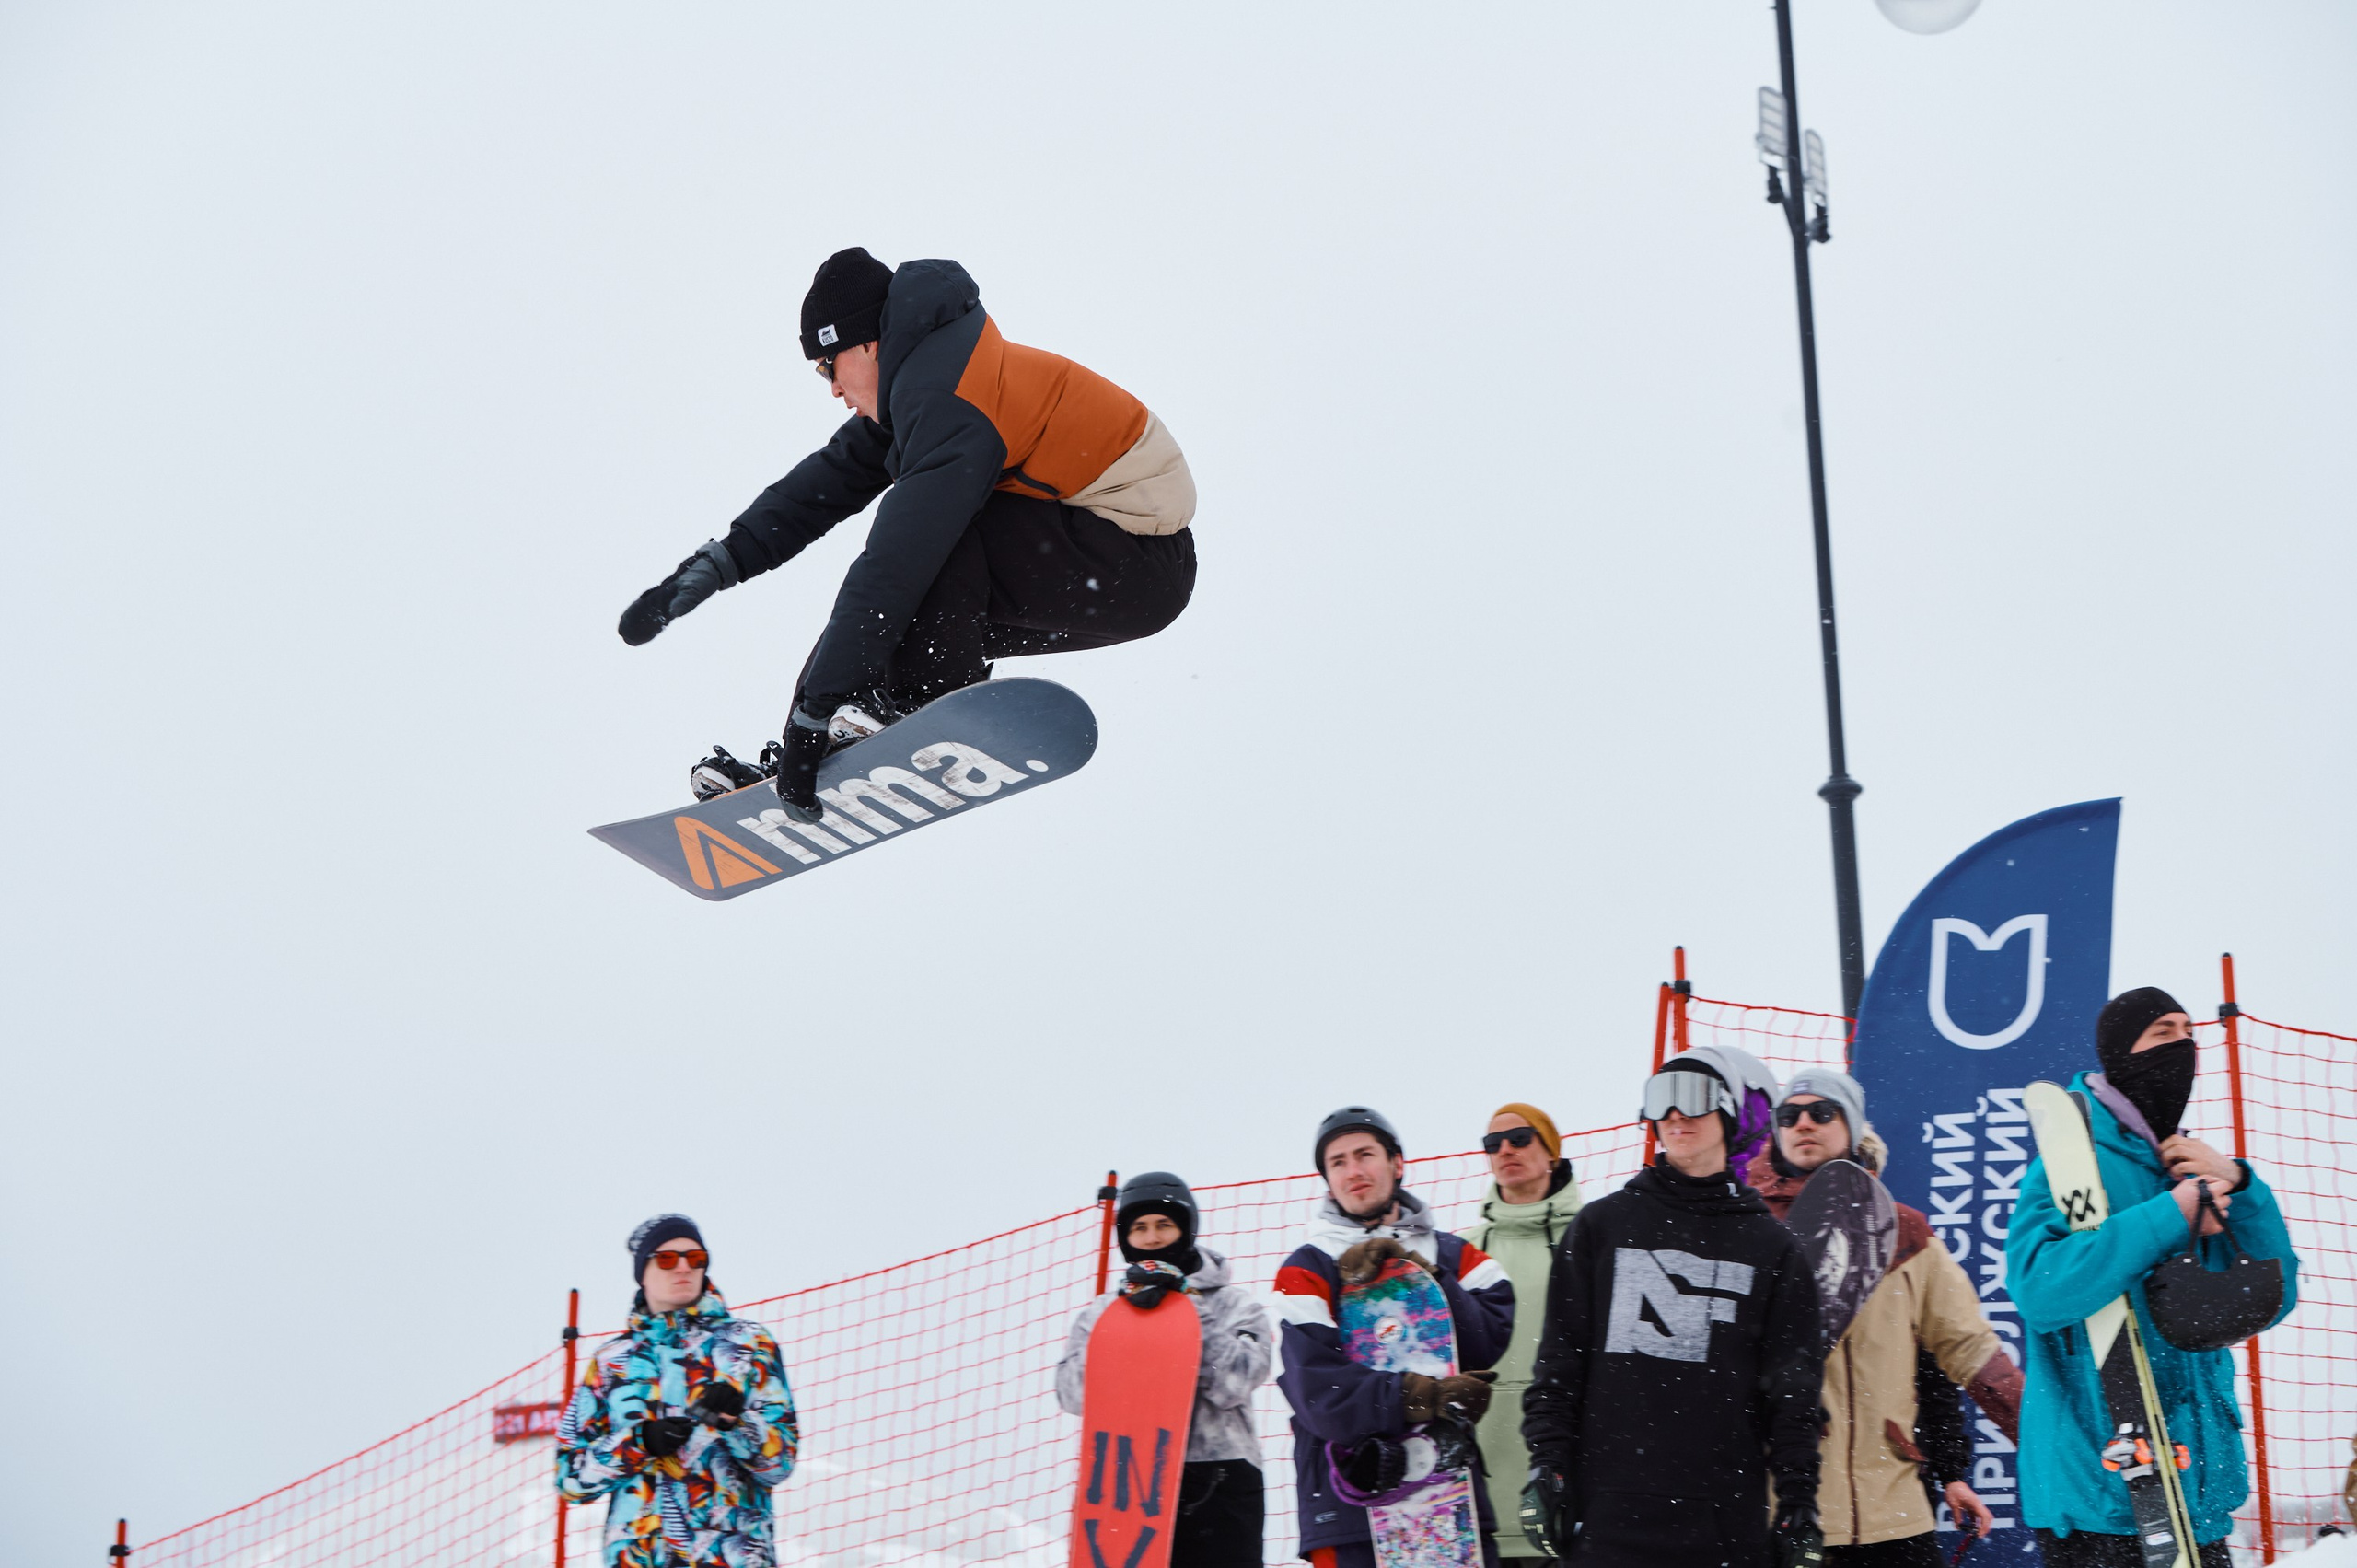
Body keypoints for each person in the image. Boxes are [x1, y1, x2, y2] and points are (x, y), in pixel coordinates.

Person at [616, 247, 1199, 816]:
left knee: (917, 563)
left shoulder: (948, 400)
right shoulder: (925, 386)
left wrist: (815, 709)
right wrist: (718, 564)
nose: (832, 388)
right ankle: (837, 730)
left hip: (1138, 565)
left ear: (867, 344)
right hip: (1097, 560)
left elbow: (895, 564)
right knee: (893, 606)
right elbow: (820, 488)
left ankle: (911, 704)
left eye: (827, 366)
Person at [2010, 987, 2301, 1568]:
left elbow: (2272, 1295)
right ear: (2121, 1054)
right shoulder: (2070, 1162)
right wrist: (2170, 1217)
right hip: (2098, 1503)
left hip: (2198, 1494)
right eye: (2163, 1033)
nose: (2182, 1047)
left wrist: (2242, 1187)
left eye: (2188, 1033)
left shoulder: (2188, 1165)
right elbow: (2040, 1288)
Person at [1521, 1050, 1826, 1568]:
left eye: (1693, 1096)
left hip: (1724, 1527)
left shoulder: (1772, 1248)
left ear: (1729, 1112)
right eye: (1661, 1097)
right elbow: (1559, 1366)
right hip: (1606, 1520)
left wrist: (1799, 1502)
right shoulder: (1601, 1227)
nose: (1676, 1113)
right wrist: (1548, 1467)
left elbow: (1794, 1395)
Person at [1744, 1069, 2023, 1568]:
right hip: (1783, 1510)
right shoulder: (1747, 1229)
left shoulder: (1905, 1233)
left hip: (1895, 1513)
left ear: (1852, 1125)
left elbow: (1961, 1350)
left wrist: (2036, 1435)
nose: (1804, 1123)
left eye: (1822, 1112)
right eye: (1789, 1115)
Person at [1275, 1106, 1516, 1568]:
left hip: (1450, 1498)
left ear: (1397, 1163)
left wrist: (1425, 1277)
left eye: (1365, 1154)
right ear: (1328, 1180)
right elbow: (1315, 1389)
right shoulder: (1306, 1267)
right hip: (1349, 1504)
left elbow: (1486, 1341)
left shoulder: (1453, 1253)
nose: (1353, 1171)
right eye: (1338, 1162)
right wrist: (1415, 1396)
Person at [1056, 1171, 1274, 1567]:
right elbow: (1072, 1395)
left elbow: (1236, 1381)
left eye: (1164, 1225)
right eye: (1139, 1228)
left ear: (1186, 1231)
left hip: (1219, 1480)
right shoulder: (1103, 1313)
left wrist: (1187, 1307)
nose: (1152, 1238)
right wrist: (1118, 1328)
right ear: (1126, 1239)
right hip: (1129, 1486)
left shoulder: (1236, 1305)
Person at [558, 1215, 799, 1568]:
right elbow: (570, 1479)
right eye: (667, 1258)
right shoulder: (611, 1362)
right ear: (642, 1273)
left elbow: (781, 1464)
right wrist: (639, 1442)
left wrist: (737, 1424)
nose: (684, 1267)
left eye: (695, 1258)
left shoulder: (750, 1345)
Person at [1462, 1103, 1585, 1565]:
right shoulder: (1466, 1250)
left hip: (1566, 1475)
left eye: (1519, 1138)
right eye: (1493, 1144)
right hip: (1485, 1482)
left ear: (1551, 1151)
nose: (1505, 1150)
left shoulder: (1590, 1238)